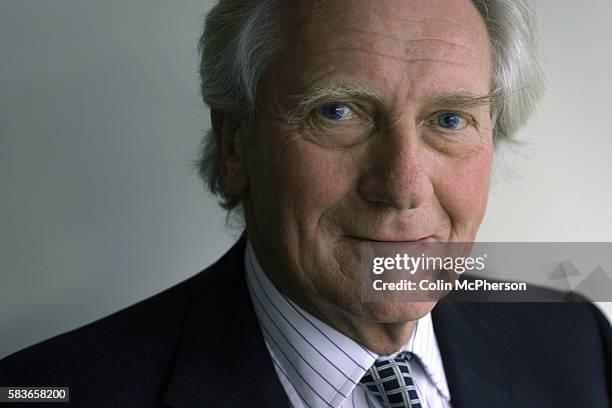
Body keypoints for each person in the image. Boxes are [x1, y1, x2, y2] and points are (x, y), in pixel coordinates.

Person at [1, 0, 610, 407]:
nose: (402, 185)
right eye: (338, 112)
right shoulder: (49, 390)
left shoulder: (574, 341)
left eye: (449, 119)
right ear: (235, 144)